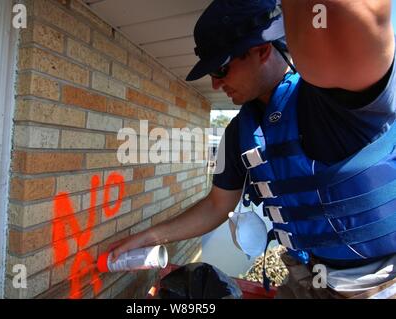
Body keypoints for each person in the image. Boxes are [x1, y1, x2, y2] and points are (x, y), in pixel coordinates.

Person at [108, 0, 396, 298]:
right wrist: (149, 237)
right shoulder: (238, 134)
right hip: (305, 279)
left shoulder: (337, 95)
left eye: (221, 68)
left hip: (383, 281)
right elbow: (218, 205)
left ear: (262, 49)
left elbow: (361, 18)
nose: (216, 83)